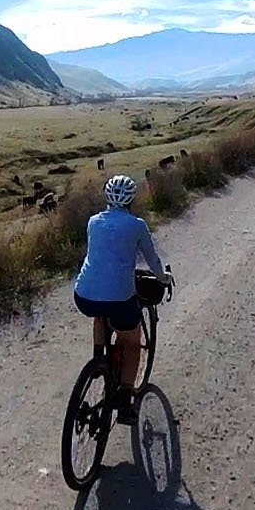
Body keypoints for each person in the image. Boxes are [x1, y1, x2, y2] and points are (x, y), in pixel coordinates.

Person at [73, 174, 169, 425]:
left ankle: (98, 360)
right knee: (132, 342)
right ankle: (125, 398)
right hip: (119, 297)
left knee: (99, 313)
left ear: (108, 197)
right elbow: (153, 261)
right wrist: (164, 278)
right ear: (131, 199)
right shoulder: (136, 225)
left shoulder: (93, 222)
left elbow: (102, 255)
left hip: (84, 294)